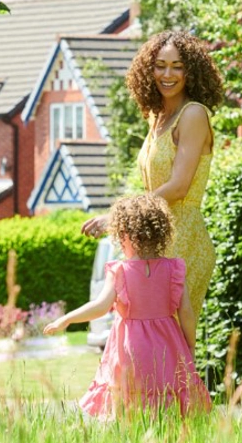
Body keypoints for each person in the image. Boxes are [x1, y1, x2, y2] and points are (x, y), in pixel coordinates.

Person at [82, 30, 224, 344]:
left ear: (191, 71)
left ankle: (184, 396)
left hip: (183, 237)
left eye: (177, 66)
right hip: (154, 237)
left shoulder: (193, 115)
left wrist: (118, 218)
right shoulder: (157, 117)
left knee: (170, 342)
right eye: (160, 65)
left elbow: (178, 187)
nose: (168, 74)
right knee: (142, 337)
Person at [47, 193, 211, 417]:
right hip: (168, 348)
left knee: (127, 404)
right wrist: (190, 346)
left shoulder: (120, 271)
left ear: (125, 235)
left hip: (130, 349)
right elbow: (186, 313)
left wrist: (66, 319)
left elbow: (99, 306)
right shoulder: (174, 269)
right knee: (167, 403)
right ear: (159, 234)